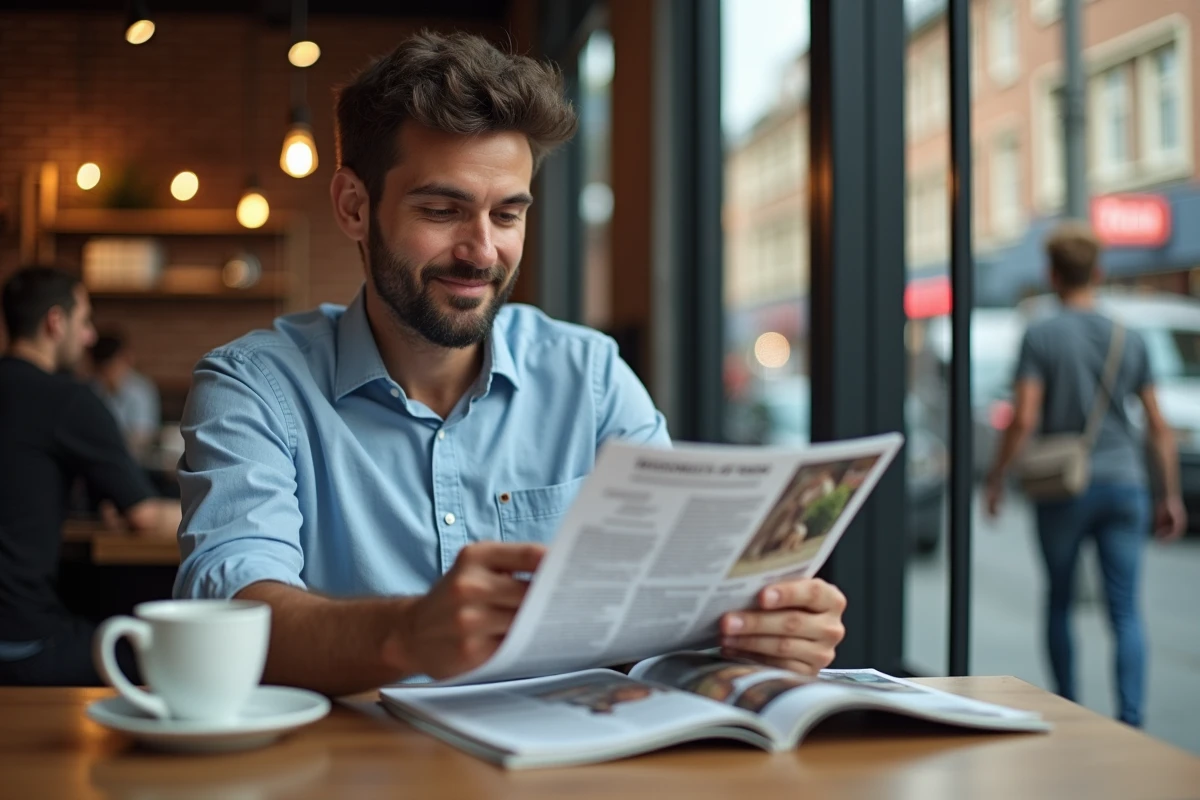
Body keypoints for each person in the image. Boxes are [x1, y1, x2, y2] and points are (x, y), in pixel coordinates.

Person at [174, 31, 848, 696]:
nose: (482, 252)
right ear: (355, 206)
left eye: (507, 215)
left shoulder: (590, 375)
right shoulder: (254, 386)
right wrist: (409, 633)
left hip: (570, 751)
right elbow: (233, 609)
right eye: (443, 210)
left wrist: (758, 630)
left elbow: (671, 595)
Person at [984, 221, 1186, 728]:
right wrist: (1170, 495)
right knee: (1125, 611)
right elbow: (1158, 426)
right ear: (1097, 272)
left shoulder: (1040, 334)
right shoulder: (1129, 337)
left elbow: (1024, 417)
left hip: (1063, 486)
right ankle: (1131, 720)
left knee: (1060, 600)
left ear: (1052, 274)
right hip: (1125, 484)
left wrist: (997, 476)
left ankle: (1069, 712)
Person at [0, 266, 182, 686]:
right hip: (21, 640)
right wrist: (223, 514)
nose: (89, 337)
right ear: (55, 322)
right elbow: (145, 516)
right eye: (84, 321)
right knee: (159, 657)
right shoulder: (67, 400)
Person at [90, 332, 161, 464]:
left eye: (111, 366)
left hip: (131, 462)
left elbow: (142, 437)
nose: (107, 374)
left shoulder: (140, 390)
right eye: (103, 369)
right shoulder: (93, 389)